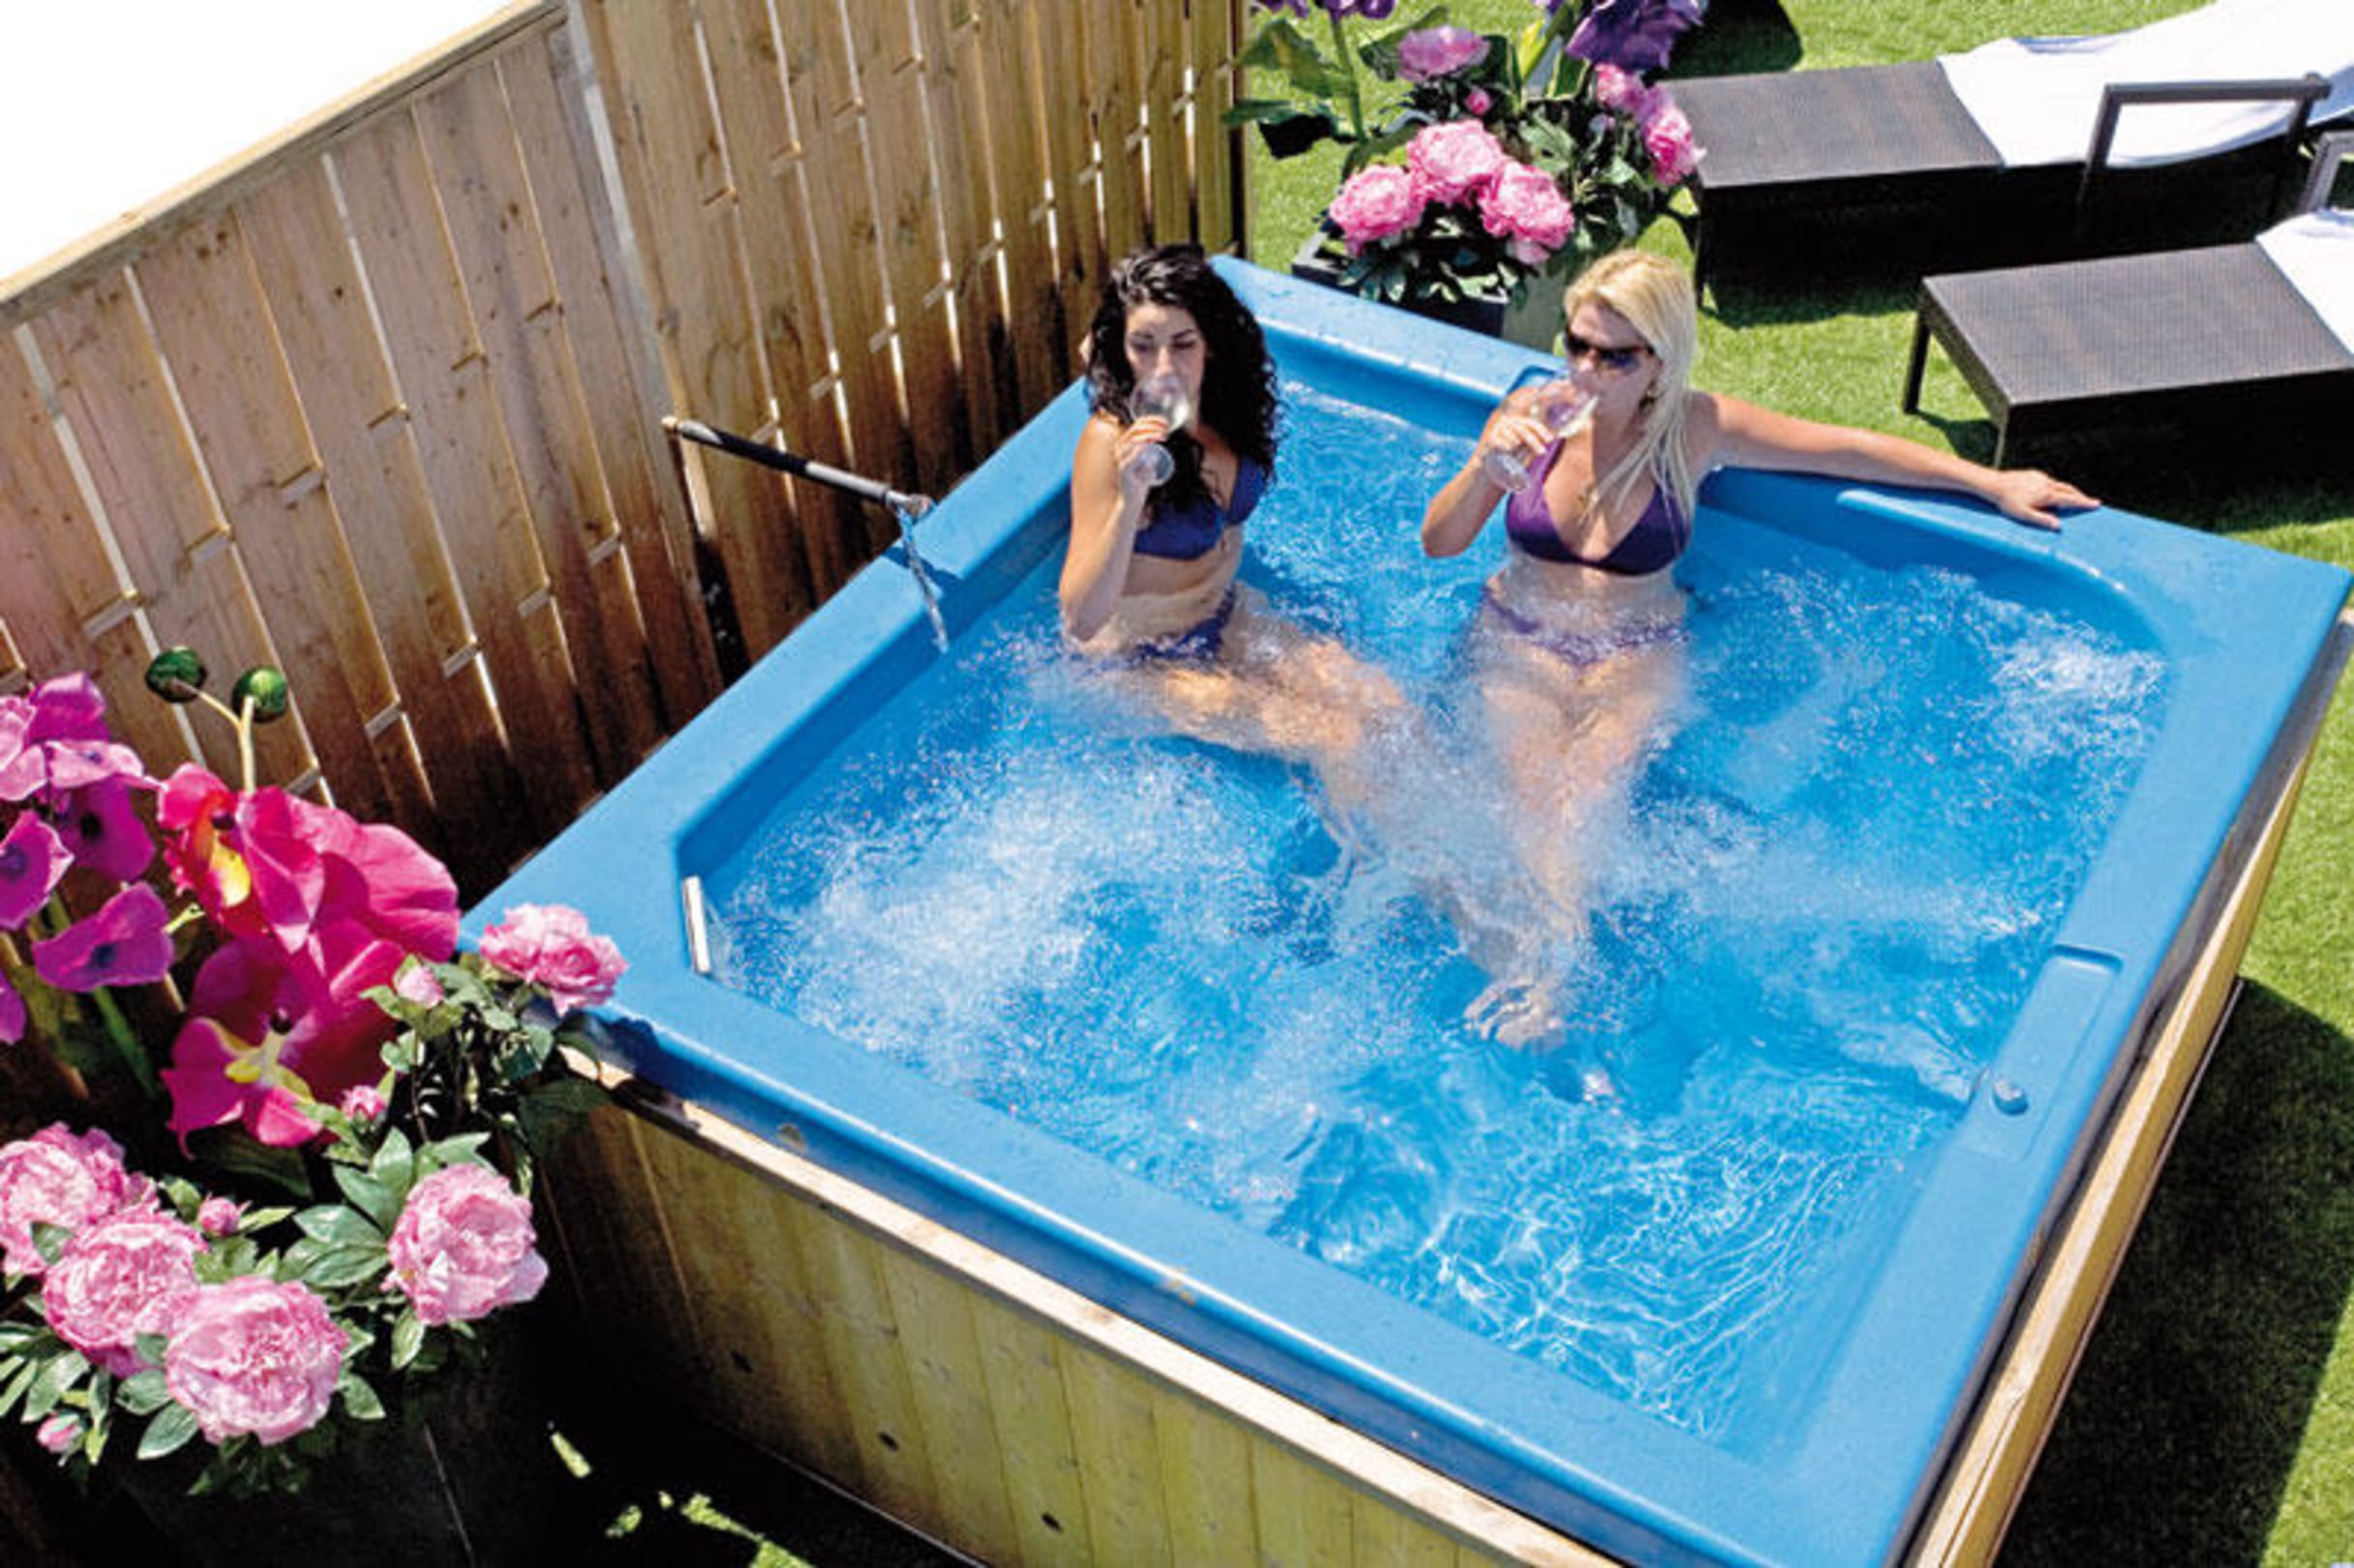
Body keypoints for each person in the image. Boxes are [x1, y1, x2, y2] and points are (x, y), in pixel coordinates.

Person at [1418, 248, 2097, 1045]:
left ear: (1659, 360)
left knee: (1587, 801)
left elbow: (1847, 449)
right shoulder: (1531, 418)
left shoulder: (1696, 429)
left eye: (1616, 356)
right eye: (1578, 345)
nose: (1588, 369)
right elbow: (1439, 543)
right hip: (1521, 639)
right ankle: (1548, 975)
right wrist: (1486, 468)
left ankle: (1547, 970)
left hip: (1636, 652)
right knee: (1535, 798)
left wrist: (1991, 483)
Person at [1061, 244, 1401, 769]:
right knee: (1336, 737)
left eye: (1183, 344)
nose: (1164, 367)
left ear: (1212, 344)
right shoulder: (1111, 443)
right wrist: (1128, 503)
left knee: (1383, 706)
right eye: (1143, 346)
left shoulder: (1230, 407)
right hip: (1138, 660)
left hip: (1226, 613)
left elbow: (1099, 345)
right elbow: (1080, 621)